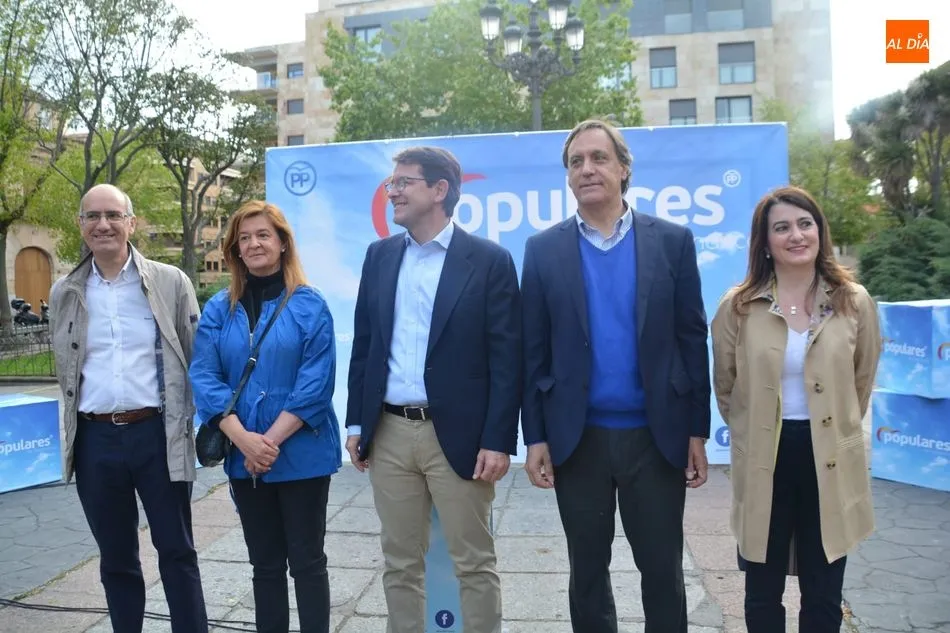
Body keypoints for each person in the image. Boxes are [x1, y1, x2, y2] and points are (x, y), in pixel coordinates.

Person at [520, 119, 711, 633]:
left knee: (663, 572)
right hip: (576, 439)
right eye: (576, 161)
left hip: (657, 436)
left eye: (599, 158)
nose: (587, 169)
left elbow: (692, 340)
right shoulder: (543, 250)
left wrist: (698, 430)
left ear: (624, 169)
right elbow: (532, 352)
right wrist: (534, 436)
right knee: (586, 573)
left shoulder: (671, 242)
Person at [345, 146, 521, 633]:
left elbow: (508, 361)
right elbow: (365, 345)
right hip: (389, 432)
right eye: (390, 183)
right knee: (399, 562)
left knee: (474, 562)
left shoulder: (488, 261)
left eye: (403, 183)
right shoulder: (379, 256)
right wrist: (358, 422)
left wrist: (499, 439)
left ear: (440, 190)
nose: (392, 192)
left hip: (461, 436)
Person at [710, 186, 881, 633]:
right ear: (764, 242)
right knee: (762, 591)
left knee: (823, 591)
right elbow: (727, 387)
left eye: (805, 224)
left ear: (820, 231)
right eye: (781, 228)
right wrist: (756, 430)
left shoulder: (853, 301)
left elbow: (860, 383)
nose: (796, 235)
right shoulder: (739, 307)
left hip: (830, 459)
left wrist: (834, 424)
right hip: (766, 459)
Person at [49, 184, 208, 633]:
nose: (104, 224)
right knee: (116, 557)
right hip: (95, 439)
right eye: (93, 216)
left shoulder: (169, 281)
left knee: (177, 550)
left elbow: (196, 357)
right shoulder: (65, 292)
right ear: (81, 226)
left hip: (157, 433)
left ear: (131, 223)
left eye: (114, 215)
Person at [189, 201, 342, 633]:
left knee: (308, 562)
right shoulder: (220, 308)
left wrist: (266, 443)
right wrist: (243, 440)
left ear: (282, 243)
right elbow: (204, 373)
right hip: (244, 457)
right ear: (235, 249)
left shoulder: (310, 305)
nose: (253, 243)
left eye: (262, 235)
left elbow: (316, 383)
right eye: (244, 237)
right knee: (265, 565)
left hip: (303, 454)